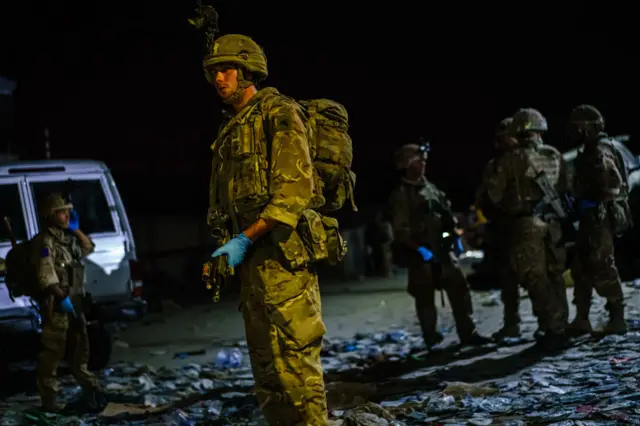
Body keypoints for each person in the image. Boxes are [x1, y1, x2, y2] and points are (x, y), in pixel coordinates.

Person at [202, 33, 329, 425]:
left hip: (284, 259)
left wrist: (244, 238)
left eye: (226, 69)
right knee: (265, 367)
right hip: (254, 263)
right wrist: (226, 249)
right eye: (214, 72)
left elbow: (294, 190)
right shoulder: (231, 129)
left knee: (296, 361)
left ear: (249, 70)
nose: (219, 78)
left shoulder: (277, 112)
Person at [388, 142, 490, 348]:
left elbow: (446, 215)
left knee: (460, 289)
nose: (423, 165)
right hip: (420, 253)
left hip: (443, 250)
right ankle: (431, 340)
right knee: (425, 298)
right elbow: (401, 230)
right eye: (419, 161)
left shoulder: (431, 189)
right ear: (408, 164)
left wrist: (455, 239)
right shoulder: (401, 195)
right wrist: (420, 249)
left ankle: (468, 334)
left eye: (424, 161)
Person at [485, 108, 569, 349]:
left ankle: (552, 327)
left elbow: (495, 194)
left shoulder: (510, 159)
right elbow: (564, 188)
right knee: (554, 274)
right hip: (552, 222)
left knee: (534, 277)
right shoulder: (553, 154)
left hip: (525, 224)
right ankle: (559, 322)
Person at [31, 193, 105, 411]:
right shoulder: (44, 243)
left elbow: (88, 247)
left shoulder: (67, 238)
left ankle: (91, 390)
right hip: (57, 305)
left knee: (81, 349)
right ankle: (50, 401)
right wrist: (63, 299)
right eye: (62, 212)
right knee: (53, 354)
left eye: (68, 211)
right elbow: (45, 277)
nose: (67, 215)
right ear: (50, 215)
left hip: (75, 301)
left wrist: (75, 229)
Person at [567, 104, 630, 336]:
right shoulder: (591, 149)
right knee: (581, 268)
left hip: (598, 215)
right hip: (590, 216)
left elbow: (613, 185)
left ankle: (617, 317)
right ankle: (581, 319)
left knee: (603, 265)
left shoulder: (599, 150)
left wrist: (593, 198)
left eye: (578, 126)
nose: (574, 130)